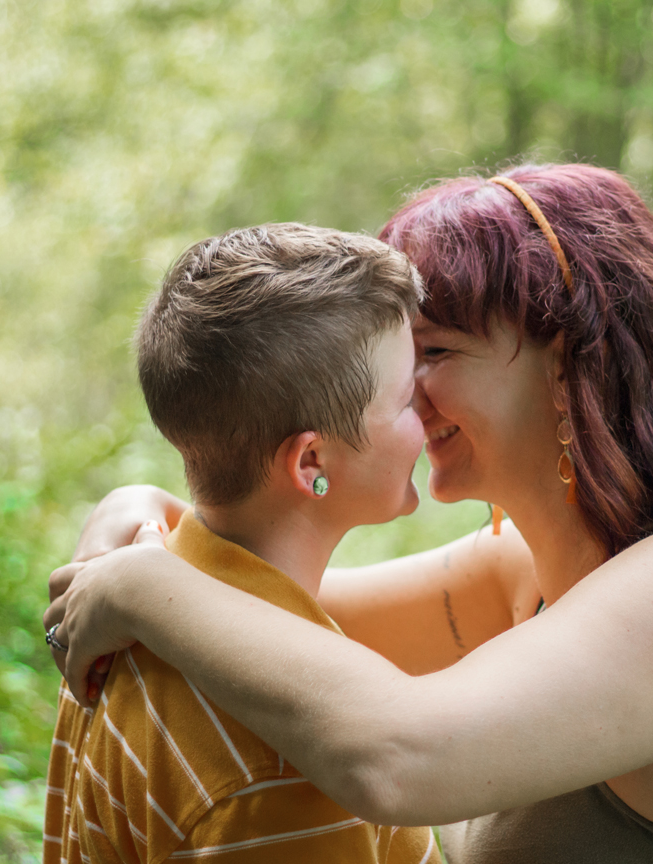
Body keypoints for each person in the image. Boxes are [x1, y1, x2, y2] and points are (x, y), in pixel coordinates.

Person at [44, 164, 653, 862]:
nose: (402, 391)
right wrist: (143, 509)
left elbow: (394, 757)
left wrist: (139, 587)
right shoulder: (528, 566)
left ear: (569, 366)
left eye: (433, 351)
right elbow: (265, 612)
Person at [41, 223, 441, 864]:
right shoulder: (287, 772)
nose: (430, 406)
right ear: (311, 462)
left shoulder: (115, 615)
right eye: (404, 400)